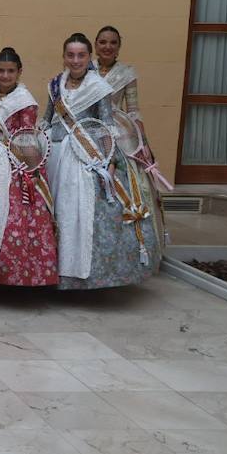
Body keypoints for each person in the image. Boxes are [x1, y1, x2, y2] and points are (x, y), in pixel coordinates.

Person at [45, 33, 159, 289]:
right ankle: (50, 270)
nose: (75, 60)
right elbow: (47, 120)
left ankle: (78, 274)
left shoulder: (98, 86)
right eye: (70, 55)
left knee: (80, 214)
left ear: (88, 57)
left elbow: (107, 126)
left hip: (85, 159)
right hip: (56, 156)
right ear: (64, 57)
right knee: (55, 212)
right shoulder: (55, 84)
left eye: (81, 55)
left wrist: (110, 161)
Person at [0, 48, 59, 287]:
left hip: (12, 163)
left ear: (19, 72)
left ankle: (13, 274)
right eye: (1, 71)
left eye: (10, 71)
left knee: (10, 216)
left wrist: (31, 172)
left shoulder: (25, 100)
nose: (5, 75)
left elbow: (26, 137)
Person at [95, 25, 166, 251]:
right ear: (95, 45)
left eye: (113, 42)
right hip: (89, 129)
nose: (107, 46)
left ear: (119, 47)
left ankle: (130, 242)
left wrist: (143, 141)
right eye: (103, 42)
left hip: (120, 132)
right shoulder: (84, 68)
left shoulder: (127, 73)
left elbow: (133, 109)